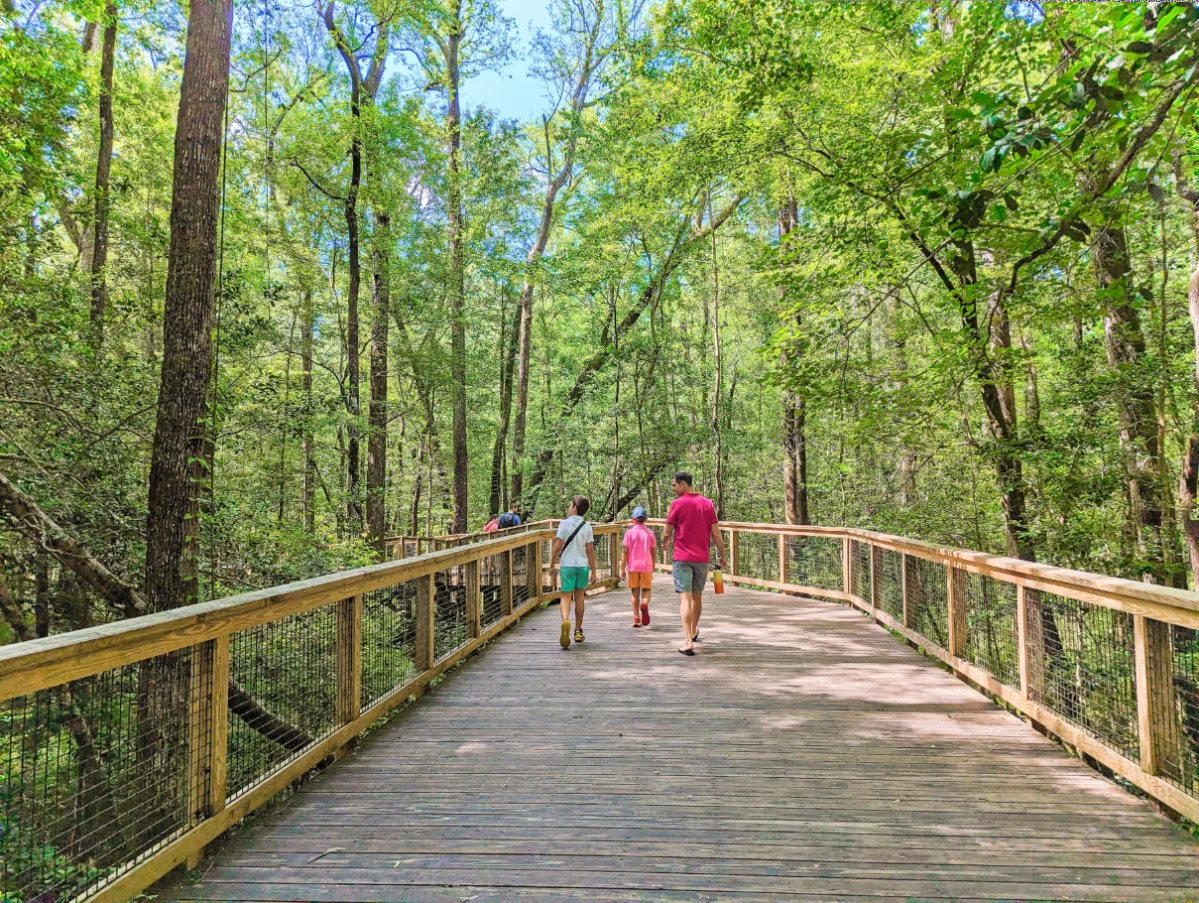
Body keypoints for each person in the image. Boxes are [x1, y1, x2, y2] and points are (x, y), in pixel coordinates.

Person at [662, 471, 726, 656]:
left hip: (682, 558)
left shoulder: (677, 504)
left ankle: (688, 641)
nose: (673, 489)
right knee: (697, 598)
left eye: (674, 485)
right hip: (701, 559)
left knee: (685, 599)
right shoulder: (707, 504)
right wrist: (722, 555)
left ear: (683, 484)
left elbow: (667, 530)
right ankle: (693, 630)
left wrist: (665, 542)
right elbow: (716, 533)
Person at [551, 495, 596, 649]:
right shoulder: (587, 526)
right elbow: (590, 551)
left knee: (565, 596)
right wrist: (594, 571)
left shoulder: (564, 524)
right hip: (582, 566)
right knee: (580, 598)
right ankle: (578, 631)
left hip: (567, 566)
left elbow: (557, 546)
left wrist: (552, 564)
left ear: (575, 508)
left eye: (571, 505)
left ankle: (565, 621)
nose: (569, 508)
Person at [621, 506, 656, 627]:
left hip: (633, 566)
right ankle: (645, 603)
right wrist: (653, 565)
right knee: (646, 590)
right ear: (645, 520)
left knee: (634, 592)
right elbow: (653, 552)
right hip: (646, 566)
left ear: (633, 519)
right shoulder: (650, 533)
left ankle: (636, 618)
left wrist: (622, 569)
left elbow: (625, 552)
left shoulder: (629, 533)